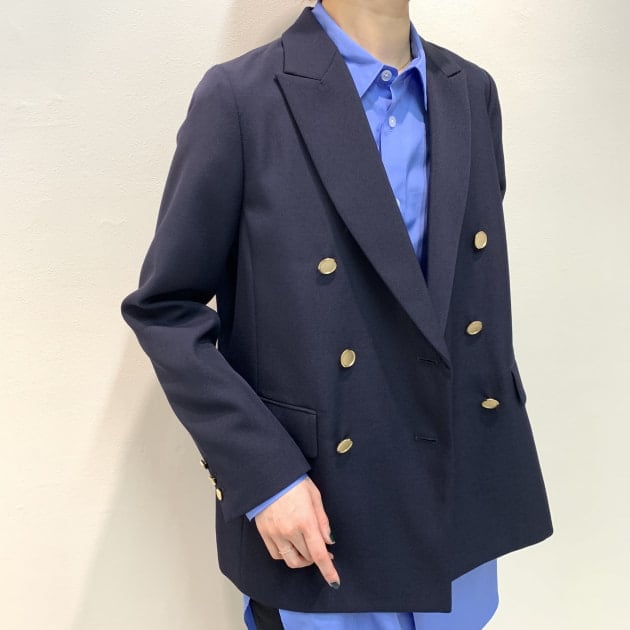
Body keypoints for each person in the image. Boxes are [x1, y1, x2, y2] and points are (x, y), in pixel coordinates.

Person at [120, 0, 554, 628]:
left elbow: (448, 298)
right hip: (324, 513)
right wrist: (265, 476)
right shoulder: (243, 98)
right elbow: (166, 309)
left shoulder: (471, 92)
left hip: (458, 501)